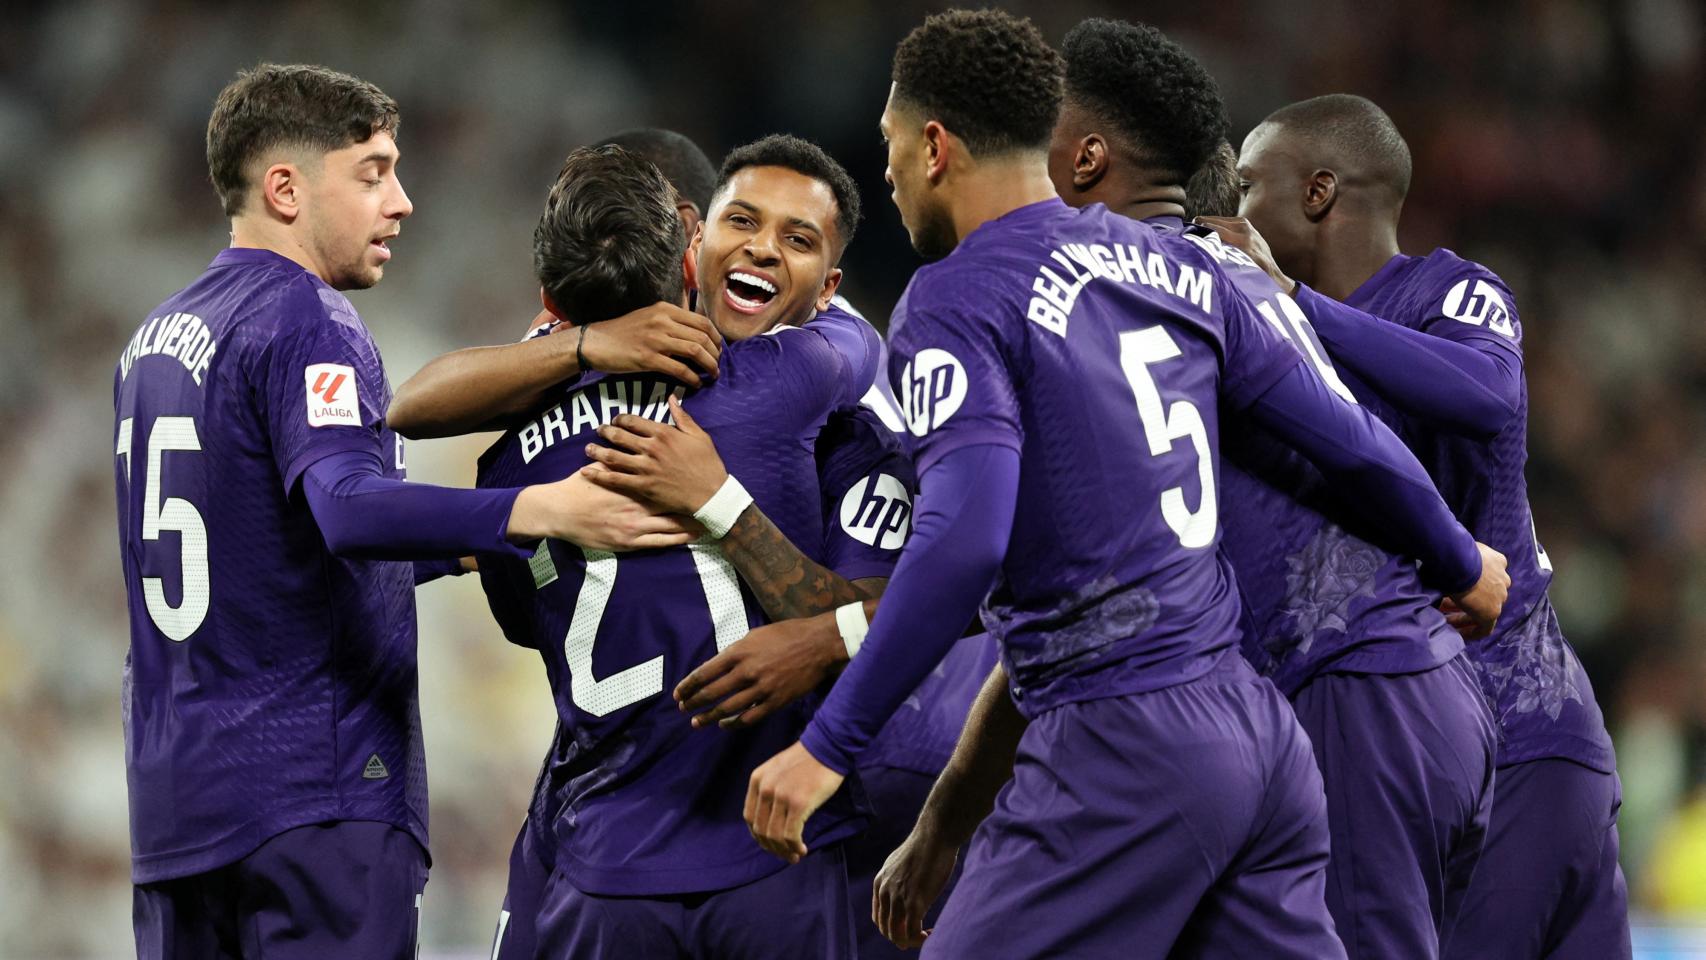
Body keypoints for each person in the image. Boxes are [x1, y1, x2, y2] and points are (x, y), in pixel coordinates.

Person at [740, 11, 1507, 958]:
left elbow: (968, 539)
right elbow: (1347, 439)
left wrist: (827, 746)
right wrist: (1459, 556)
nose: (888, 175)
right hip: (1262, 741)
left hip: (1122, 742)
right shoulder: (1182, 263)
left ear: (936, 146)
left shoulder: (956, 296)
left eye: (892, 148)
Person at [113, 64, 696, 960]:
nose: (403, 201)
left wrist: (460, 549)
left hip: (175, 805)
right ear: (284, 189)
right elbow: (347, 512)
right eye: (373, 171)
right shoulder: (308, 317)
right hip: (317, 794)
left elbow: (268, 548)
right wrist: (539, 508)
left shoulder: (152, 342)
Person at [1036, 21, 1498, 958]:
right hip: (1343, 698)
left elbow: (1360, 443)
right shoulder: (1206, 284)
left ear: (1086, 155)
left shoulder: (1185, 287)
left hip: (1355, 679)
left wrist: (1460, 559)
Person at [1221, 93, 1630, 960]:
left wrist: (1294, 302)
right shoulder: (1265, 354)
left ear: (1319, 192)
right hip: (1446, 750)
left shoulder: (1451, 289)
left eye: (1249, 184)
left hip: (1515, 732)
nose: (1235, 210)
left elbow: (1487, 394)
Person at [470, 140, 881, 957]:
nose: (764, 248)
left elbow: (524, 625)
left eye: (795, 238)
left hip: (605, 855)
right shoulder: (782, 379)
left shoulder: (506, 457)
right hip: (769, 840)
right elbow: (918, 606)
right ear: (691, 247)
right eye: (743, 223)